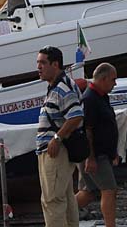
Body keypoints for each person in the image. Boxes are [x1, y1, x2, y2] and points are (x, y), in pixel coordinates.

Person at [36, 46, 84, 227]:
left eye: (43, 63)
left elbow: (76, 115)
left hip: (56, 153)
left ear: (55, 64)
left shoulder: (62, 88)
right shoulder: (59, 86)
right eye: (38, 63)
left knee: (52, 201)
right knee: (65, 198)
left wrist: (57, 138)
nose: (38, 67)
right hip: (57, 151)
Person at [75, 63, 119, 227]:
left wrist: (113, 152)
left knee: (87, 193)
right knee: (109, 190)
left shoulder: (101, 96)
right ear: (103, 78)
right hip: (95, 155)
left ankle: (58, 216)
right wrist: (90, 158)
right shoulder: (90, 99)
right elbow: (87, 130)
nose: (115, 83)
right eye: (113, 79)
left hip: (102, 153)